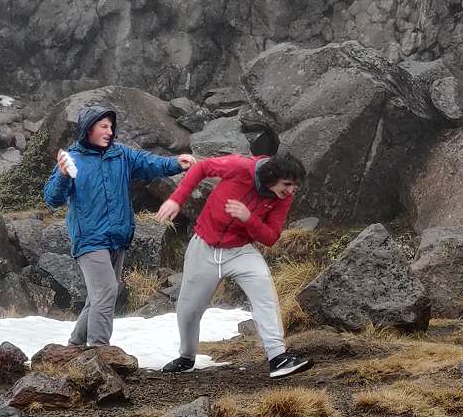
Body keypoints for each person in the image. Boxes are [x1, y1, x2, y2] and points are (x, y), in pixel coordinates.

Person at [43, 105, 196, 348]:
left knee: (99, 296)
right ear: (88, 128)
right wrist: (62, 175)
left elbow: (148, 162)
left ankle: (75, 345)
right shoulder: (73, 160)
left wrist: (176, 163)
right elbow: (52, 198)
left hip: (118, 238)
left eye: (111, 127)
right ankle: (99, 350)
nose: (109, 131)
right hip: (89, 239)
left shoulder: (121, 154)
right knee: (106, 292)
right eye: (103, 126)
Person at [153, 152, 313, 379]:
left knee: (265, 294)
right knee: (188, 310)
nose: (290, 191)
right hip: (204, 247)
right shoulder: (240, 167)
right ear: (272, 176)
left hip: (240, 251)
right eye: (287, 184)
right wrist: (176, 200)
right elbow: (201, 168)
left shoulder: (282, 198)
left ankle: (278, 358)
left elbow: (270, 237)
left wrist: (249, 218)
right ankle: (186, 357)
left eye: (294, 186)